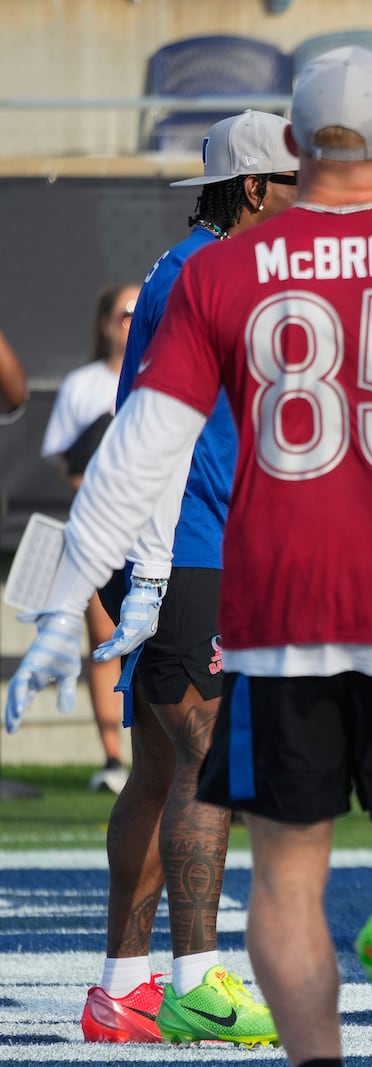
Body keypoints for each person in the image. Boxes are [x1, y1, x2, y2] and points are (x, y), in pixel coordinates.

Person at [4, 47, 372, 1066]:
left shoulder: (218, 270)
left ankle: (138, 987)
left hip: (270, 581)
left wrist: (67, 600)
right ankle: (270, 967)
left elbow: (135, 439)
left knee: (245, 832)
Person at [77, 113, 300, 1047]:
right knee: (209, 757)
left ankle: (122, 991)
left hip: (200, 544)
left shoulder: (222, 273)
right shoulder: (198, 273)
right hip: (179, 547)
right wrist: (147, 570)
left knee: (162, 767)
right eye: (295, 181)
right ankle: (199, 980)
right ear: (254, 189)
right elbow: (150, 430)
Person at [41, 283, 138, 797]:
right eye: (125, 312)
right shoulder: (82, 385)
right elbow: (65, 460)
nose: (133, 320)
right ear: (104, 323)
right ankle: (113, 758)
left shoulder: (165, 374)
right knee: (105, 641)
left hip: (155, 532)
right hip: (98, 533)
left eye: (142, 310)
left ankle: (163, 755)